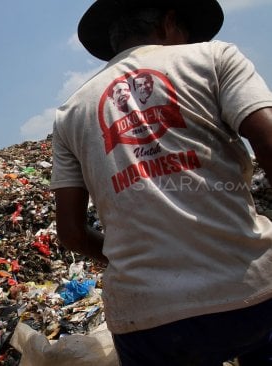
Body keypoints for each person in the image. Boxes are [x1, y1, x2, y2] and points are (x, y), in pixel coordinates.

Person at [51, 0, 272, 364]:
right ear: (170, 23)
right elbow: (266, 141)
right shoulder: (213, 57)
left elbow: (71, 233)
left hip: (144, 317)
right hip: (250, 290)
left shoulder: (69, 113)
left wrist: (136, 263)